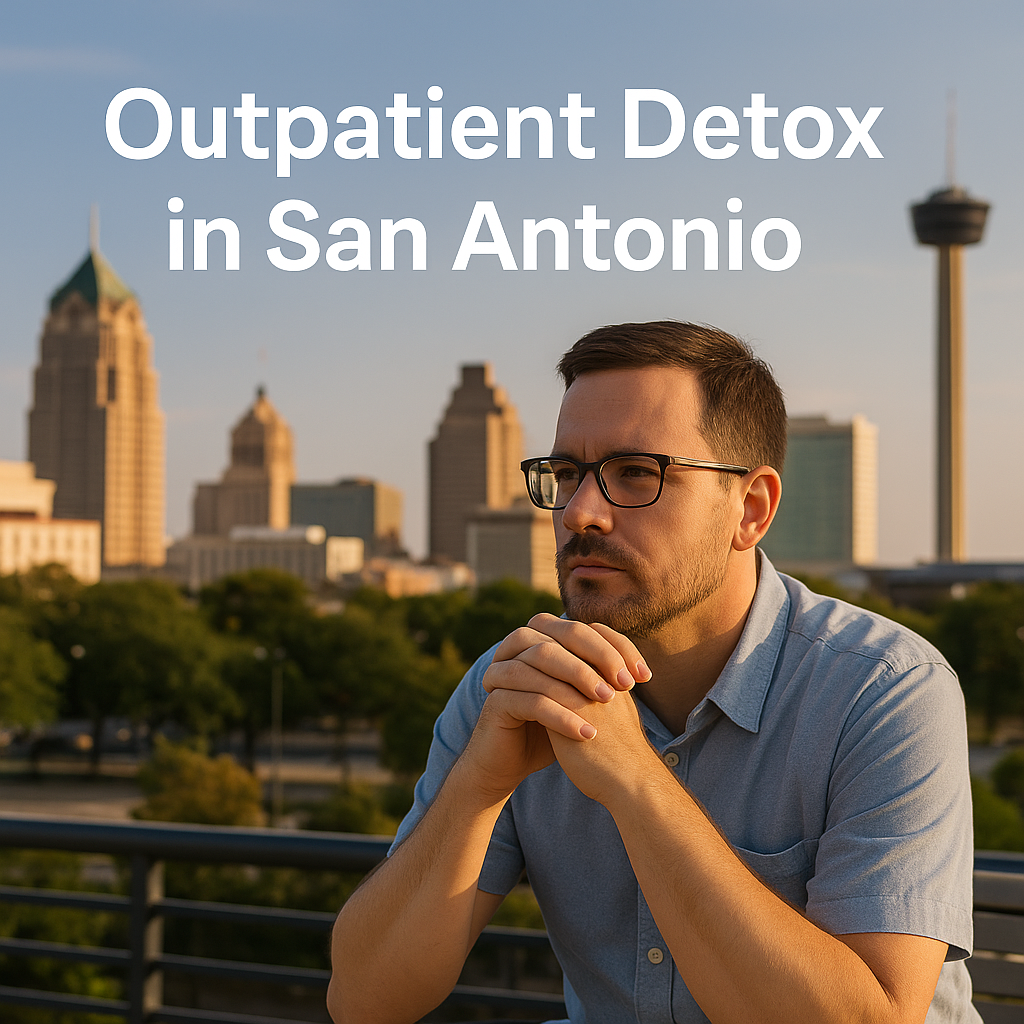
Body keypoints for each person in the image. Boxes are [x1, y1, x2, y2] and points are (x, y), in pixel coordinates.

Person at [328, 321, 978, 1024]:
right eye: (568, 474)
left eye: (635, 473)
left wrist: (637, 781)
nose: (580, 512)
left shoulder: (884, 690)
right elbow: (365, 1002)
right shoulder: (515, 685)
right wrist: (478, 789)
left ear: (750, 510)